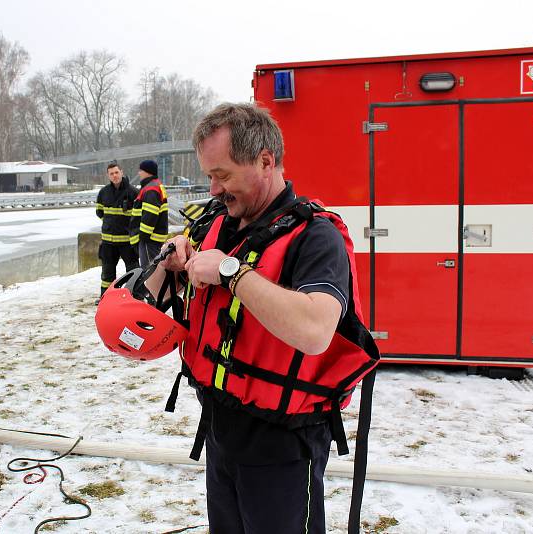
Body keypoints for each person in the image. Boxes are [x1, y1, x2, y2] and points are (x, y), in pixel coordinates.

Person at [144, 103, 378, 533]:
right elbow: (158, 295)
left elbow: (314, 331)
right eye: (209, 175)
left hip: (283, 444)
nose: (213, 188)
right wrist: (174, 261)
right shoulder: (220, 221)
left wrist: (230, 272)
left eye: (223, 175)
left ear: (266, 161)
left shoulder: (315, 237)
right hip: (220, 425)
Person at [95, 162, 139, 299]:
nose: (114, 176)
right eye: (111, 174)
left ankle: (135, 296)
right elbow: (100, 212)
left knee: (133, 271)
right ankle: (106, 298)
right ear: (108, 176)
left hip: (128, 242)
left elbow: (139, 216)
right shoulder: (103, 193)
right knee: (107, 273)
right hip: (108, 242)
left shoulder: (133, 192)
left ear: (121, 172)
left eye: (116, 172)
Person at [130, 159, 168, 267]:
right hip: (153, 239)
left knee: (149, 272)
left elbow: (150, 216)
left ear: (147, 171)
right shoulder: (155, 185)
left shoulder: (150, 189)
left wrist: (143, 238)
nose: (139, 173)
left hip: (149, 240)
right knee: (154, 270)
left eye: (141, 170)